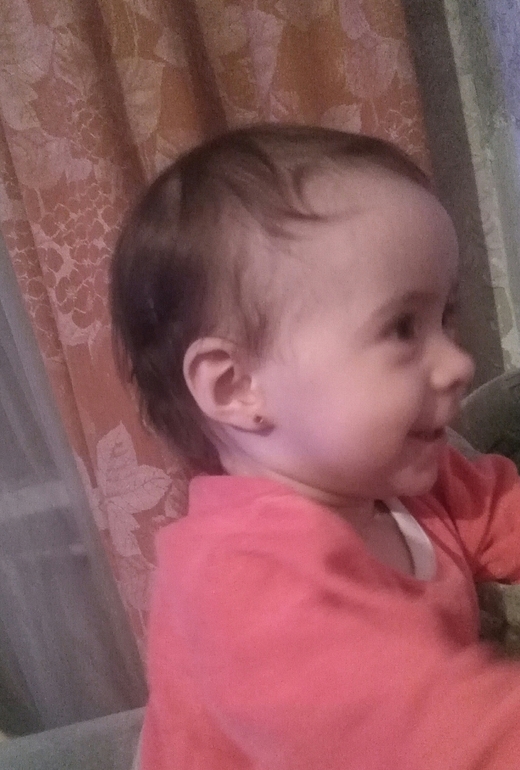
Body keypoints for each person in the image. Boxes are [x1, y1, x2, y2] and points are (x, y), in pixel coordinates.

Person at [110, 124, 520, 769]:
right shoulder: (239, 578)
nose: (459, 363)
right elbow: (435, 731)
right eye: (402, 327)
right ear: (237, 385)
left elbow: (504, 508)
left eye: (446, 317)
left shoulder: (405, 477)